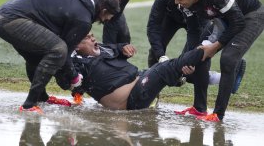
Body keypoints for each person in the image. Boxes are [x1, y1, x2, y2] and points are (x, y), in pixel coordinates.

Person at [0, 0, 120, 113]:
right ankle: (28, 105)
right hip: (11, 20)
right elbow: (64, 54)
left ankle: (41, 98)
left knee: (35, 57)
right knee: (58, 49)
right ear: (103, 10)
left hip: (3, 16)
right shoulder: (83, 19)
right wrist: (74, 78)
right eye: (109, 16)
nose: (107, 20)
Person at [172, 0, 264, 121]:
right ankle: (199, 109)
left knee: (228, 59)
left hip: (250, 16)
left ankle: (218, 115)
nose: (176, 2)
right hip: (224, 18)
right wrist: (192, 56)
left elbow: (238, 22)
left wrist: (214, 47)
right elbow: (194, 30)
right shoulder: (185, 4)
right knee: (199, 54)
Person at [147, 0, 246, 115]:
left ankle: (200, 107)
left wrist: (192, 59)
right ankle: (151, 95)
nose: (177, 3)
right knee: (155, 52)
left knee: (197, 60)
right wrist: (161, 55)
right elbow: (152, 26)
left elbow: (194, 31)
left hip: (197, 23)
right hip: (171, 19)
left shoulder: (200, 2)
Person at [64, 32, 207, 110]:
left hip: (141, 80)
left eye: (92, 35)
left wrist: (123, 48)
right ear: (76, 46)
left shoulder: (100, 48)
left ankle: (183, 75)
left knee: (162, 67)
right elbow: (69, 81)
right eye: (87, 38)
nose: (93, 38)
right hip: (132, 99)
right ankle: (208, 48)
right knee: (164, 68)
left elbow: (116, 48)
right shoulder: (77, 64)